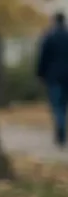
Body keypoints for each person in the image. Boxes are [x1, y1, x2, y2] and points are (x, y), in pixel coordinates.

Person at [36, 11, 68, 147]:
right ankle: (62, 128)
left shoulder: (49, 37)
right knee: (64, 105)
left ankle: (60, 131)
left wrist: (40, 74)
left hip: (54, 76)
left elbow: (43, 57)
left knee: (57, 106)